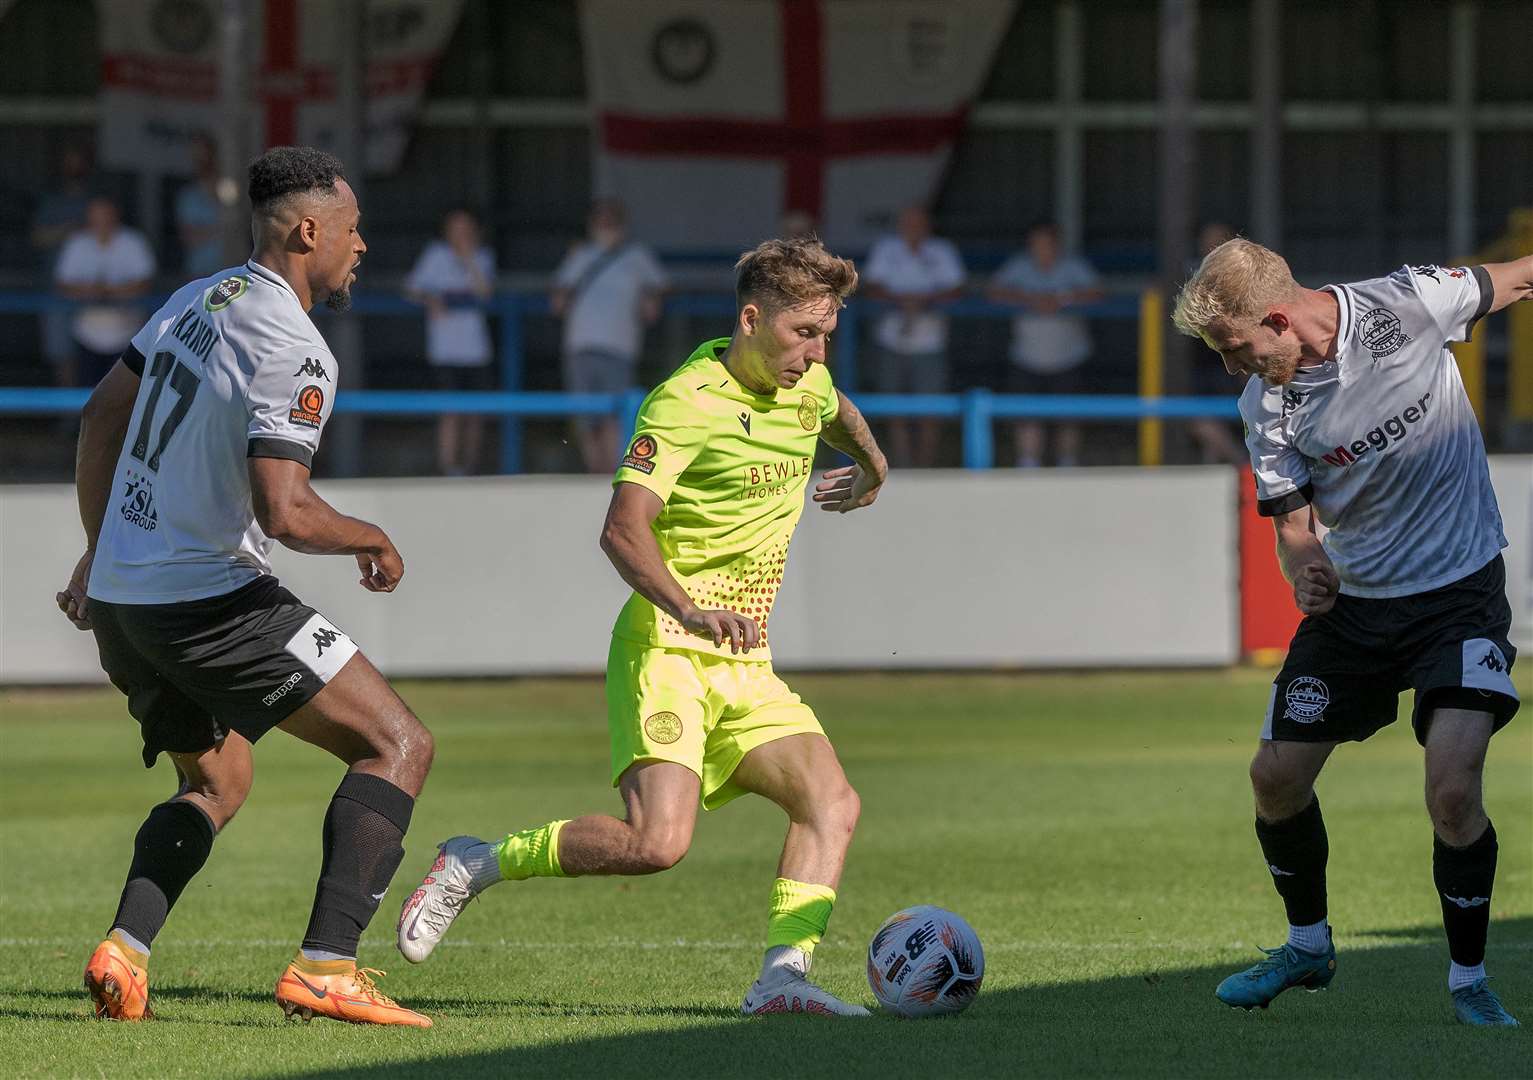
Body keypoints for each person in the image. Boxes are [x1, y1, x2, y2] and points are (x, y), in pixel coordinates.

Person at [396, 237, 888, 1018]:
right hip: (667, 651)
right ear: (751, 320)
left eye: (827, 333)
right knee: (657, 845)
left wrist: (874, 467)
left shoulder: (809, 382)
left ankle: (782, 980)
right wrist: (688, 609)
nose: (817, 351)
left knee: (832, 804)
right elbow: (622, 530)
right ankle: (477, 862)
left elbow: (834, 407)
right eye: (803, 333)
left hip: (746, 663)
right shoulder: (683, 401)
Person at [57, 146, 436, 1028]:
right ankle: (328, 967)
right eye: (351, 230)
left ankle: (125, 950)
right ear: (310, 230)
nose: (362, 247)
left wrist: (99, 550)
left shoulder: (201, 298)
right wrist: (370, 537)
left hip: (126, 602)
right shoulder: (295, 347)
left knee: (219, 780)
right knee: (397, 745)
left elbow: (100, 416)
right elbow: (287, 511)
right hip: (210, 601)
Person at [1173, 238, 1528, 1026]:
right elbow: (1291, 524)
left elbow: (1518, 275)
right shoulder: (1264, 405)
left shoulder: (1406, 304)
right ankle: (1307, 946)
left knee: (1451, 787)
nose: (1232, 369)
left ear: (1275, 318)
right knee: (1274, 778)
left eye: (1234, 350)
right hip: (1355, 611)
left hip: (1457, 596)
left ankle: (1468, 980)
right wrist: (1304, 565)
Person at [551, 199, 667, 473]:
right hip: (579, 345)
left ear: (622, 225)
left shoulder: (638, 256)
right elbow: (558, 298)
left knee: (615, 415)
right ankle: (595, 473)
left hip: (619, 346)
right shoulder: (580, 255)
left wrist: (650, 300)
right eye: (600, 220)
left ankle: (613, 475)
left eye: (611, 220)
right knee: (584, 418)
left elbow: (661, 287)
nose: (605, 225)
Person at [988, 222, 1102, 467]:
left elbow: (1097, 293)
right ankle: (1028, 463)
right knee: (1026, 413)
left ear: (1056, 244)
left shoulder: (1073, 266)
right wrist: (1028, 298)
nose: (1041, 248)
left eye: (1046, 243)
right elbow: (993, 292)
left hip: (1068, 355)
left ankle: (1067, 462)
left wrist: (1062, 298)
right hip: (1026, 355)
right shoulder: (1019, 266)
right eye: (1036, 244)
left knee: (1069, 415)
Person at [861, 206, 966, 467]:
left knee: (931, 409)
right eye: (909, 222)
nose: (913, 227)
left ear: (928, 224)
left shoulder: (942, 250)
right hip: (890, 340)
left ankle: (925, 464)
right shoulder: (887, 249)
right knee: (893, 407)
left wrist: (923, 300)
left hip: (930, 342)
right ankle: (903, 462)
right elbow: (870, 287)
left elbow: (957, 289)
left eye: (919, 222)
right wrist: (901, 301)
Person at [406, 208, 497, 475]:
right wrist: (430, 299)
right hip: (444, 349)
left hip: (476, 349)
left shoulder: (483, 256)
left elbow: (485, 292)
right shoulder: (435, 255)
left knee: (475, 412)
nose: (461, 234)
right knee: (450, 410)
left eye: (466, 228)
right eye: (455, 228)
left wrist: (468, 259)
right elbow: (411, 289)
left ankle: (470, 466)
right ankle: (448, 467)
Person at [54, 196, 156, 387]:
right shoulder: (77, 243)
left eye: (105, 215)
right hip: (86, 334)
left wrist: (110, 290)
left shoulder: (133, 242)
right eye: (95, 216)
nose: (101, 221)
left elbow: (145, 283)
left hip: (128, 336)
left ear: (115, 215)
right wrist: (92, 290)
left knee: (124, 402)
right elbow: (63, 285)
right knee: (87, 396)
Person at [1183, 223, 1246, 466]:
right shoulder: (1186, 276)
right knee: (1198, 419)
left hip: (1239, 365)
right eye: (1207, 241)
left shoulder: (1245, 278)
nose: (1212, 247)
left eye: (1219, 241)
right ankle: (1242, 464)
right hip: (1200, 364)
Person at [31, 145, 94, 384]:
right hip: (57, 289)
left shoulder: (94, 200)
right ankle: (69, 418)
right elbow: (37, 237)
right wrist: (67, 231)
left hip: (95, 290)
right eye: (69, 162)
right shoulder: (52, 202)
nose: (74, 168)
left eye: (78, 161)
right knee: (62, 352)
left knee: (99, 350)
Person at [175, 134, 225, 278]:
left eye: (205, 154)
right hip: (199, 273)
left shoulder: (231, 192)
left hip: (233, 272)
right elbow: (189, 238)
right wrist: (218, 229)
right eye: (196, 155)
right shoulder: (188, 197)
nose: (201, 159)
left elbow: (238, 228)